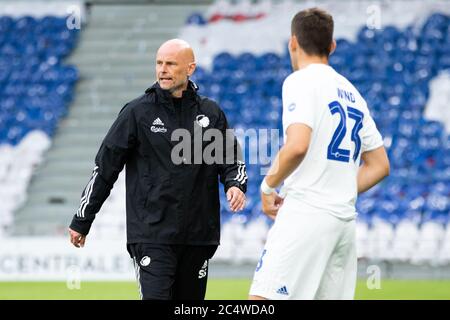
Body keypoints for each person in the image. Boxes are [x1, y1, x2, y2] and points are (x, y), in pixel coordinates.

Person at [68, 39, 247, 300]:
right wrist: (82, 220)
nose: (162, 69)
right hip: (152, 233)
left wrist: (234, 184)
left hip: (198, 237)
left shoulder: (210, 113)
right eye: (159, 63)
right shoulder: (137, 113)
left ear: (190, 68)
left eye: (171, 63)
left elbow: (231, 160)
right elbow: (105, 168)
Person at [249, 8, 390, 300]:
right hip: (343, 224)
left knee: (262, 301)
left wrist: (267, 186)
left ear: (292, 43)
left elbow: (298, 145)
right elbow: (379, 165)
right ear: (332, 46)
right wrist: (335, 191)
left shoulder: (300, 81)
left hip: (306, 214)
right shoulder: (352, 92)